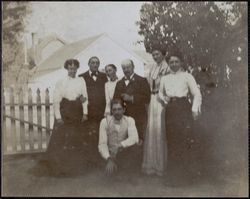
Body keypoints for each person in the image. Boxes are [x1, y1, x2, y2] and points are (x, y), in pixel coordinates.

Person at [33, 59, 89, 176]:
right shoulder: (61, 82)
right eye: (70, 68)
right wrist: (58, 117)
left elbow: (85, 98)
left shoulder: (81, 80)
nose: (72, 70)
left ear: (77, 68)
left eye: (74, 68)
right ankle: (60, 169)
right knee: (62, 140)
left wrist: (85, 113)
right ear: (67, 69)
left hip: (77, 111)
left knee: (75, 138)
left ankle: (74, 169)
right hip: (65, 111)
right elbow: (56, 101)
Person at [159, 51, 202, 185]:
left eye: (176, 61)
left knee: (184, 141)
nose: (174, 64)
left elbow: (197, 94)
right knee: (171, 141)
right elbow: (160, 93)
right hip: (170, 110)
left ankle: (186, 178)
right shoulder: (164, 78)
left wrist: (194, 109)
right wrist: (165, 100)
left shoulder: (187, 76)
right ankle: (173, 178)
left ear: (181, 62)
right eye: (171, 62)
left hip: (183, 109)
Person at [142, 48, 170, 176]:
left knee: (160, 129)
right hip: (152, 99)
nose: (155, 56)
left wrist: (165, 99)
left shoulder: (167, 68)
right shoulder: (152, 67)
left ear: (163, 54)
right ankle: (151, 165)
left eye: (157, 54)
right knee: (152, 130)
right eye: (153, 54)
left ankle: (161, 165)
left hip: (162, 99)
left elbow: (169, 86)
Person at [78, 56, 108, 166]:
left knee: (101, 136)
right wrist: (82, 99)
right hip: (89, 112)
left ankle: (100, 160)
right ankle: (89, 162)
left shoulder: (104, 76)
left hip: (101, 112)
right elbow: (79, 93)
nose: (95, 65)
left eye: (97, 63)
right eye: (93, 63)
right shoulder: (82, 77)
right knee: (88, 136)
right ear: (89, 64)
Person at [98, 98, 139, 175]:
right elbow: (102, 144)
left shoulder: (129, 120)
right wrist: (109, 159)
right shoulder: (104, 122)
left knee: (135, 148)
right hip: (109, 155)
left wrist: (121, 145)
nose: (117, 112)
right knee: (108, 177)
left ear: (124, 110)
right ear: (111, 111)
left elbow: (134, 138)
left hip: (123, 155)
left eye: (119, 109)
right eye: (114, 110)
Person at [113, 59, 150, 142]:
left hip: (138, 116)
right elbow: (115, 100)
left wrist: (132, 98)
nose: (126, 70)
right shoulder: (119, 83)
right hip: (123, 117)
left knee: (137, 141)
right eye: (124, 68)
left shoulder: (142, 80)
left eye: (128, 67)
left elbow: (147, 98)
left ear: (133, 67)